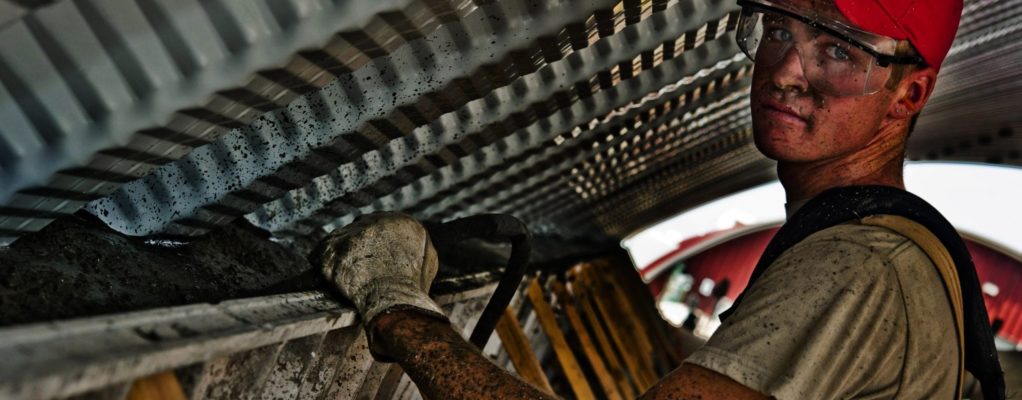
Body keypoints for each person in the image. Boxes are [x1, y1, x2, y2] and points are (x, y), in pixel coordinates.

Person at [314, 0, 1003, 398]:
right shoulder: (892, 251)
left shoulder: (860, 266)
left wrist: (397, 308)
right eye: (781, 30)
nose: (787, 70)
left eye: (840, 52)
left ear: (909, 94)